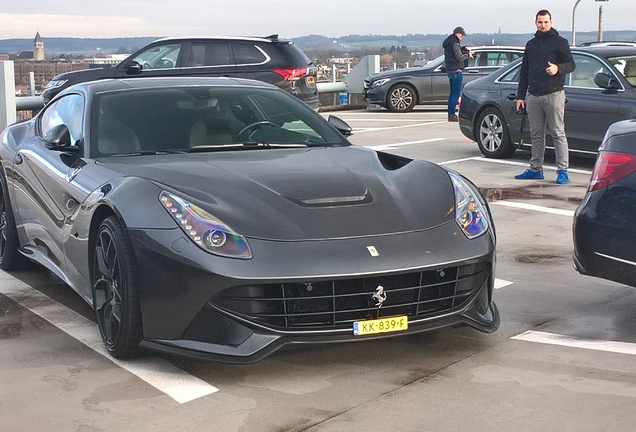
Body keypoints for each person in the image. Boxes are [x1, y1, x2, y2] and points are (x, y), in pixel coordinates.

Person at [515, 9, 575, 184]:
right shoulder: (531, 44)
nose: (543, 25)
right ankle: (536, 169)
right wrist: (521, 96)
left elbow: (571, 64)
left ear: (551, 22)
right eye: (540, 22)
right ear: (536, 23)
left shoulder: (560, 42)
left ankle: (562, 170)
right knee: (536, 134)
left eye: (546, 22)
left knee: (557, 132)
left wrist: (558, 68)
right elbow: (524, 71)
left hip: (554, 93)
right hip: (533, 95)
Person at [442, 26, 473, 122]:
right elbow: (459, 58)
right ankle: (451, 115)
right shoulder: (454, 43)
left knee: (452, 93)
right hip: (456, 70)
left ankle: (450, 113)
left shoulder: (448, 42)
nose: (462, 37)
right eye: (462, 35)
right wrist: (467, 55)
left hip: (450, 70)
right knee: (456, 93)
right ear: (458, 34)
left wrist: (463, 49)